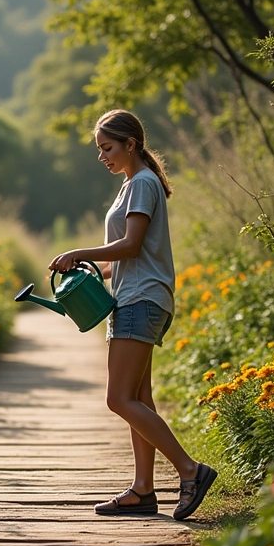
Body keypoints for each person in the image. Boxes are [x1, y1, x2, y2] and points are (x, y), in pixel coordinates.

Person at [48, 109, 217, 521]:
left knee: (118, 398)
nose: (102, 156)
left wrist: (79, 252)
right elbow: (120, 260)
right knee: (140, 397)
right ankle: (143, 490)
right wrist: (86, 274)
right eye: (99, 149)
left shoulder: (141, 183)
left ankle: (191, 470)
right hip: (135, 295)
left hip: (141, 299)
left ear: (131, 145)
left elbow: (131, 246)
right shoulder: (131, 185)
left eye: (107, 148)